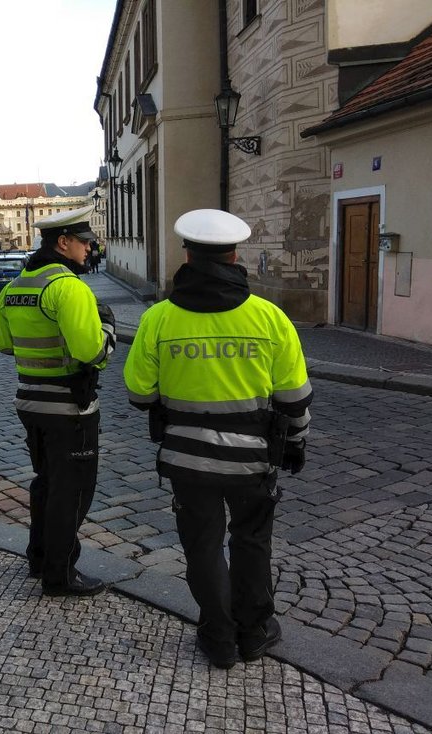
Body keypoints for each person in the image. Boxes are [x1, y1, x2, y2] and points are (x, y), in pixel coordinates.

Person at [123, 209, 312, 669]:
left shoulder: (159, 319)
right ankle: (254, 633)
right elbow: (294, 398)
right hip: (253, 461)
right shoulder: (269, 318)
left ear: (186, 254)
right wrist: (295, 444)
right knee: (251, 542)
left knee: (203, 546)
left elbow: (138, 393)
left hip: (188, 461)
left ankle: (218, 637)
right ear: (235, 254)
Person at [0, 205, 116, 596]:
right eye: (84, 243)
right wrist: (108, 331)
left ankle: (40, 555)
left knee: (46, 483)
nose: (88, 250)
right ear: (63, 243)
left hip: (30, 402)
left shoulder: (15, 288)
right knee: (74, 490)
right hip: (69, 407)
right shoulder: (68, 287)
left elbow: (3, 344)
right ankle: (60, 573)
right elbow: (89, 351)